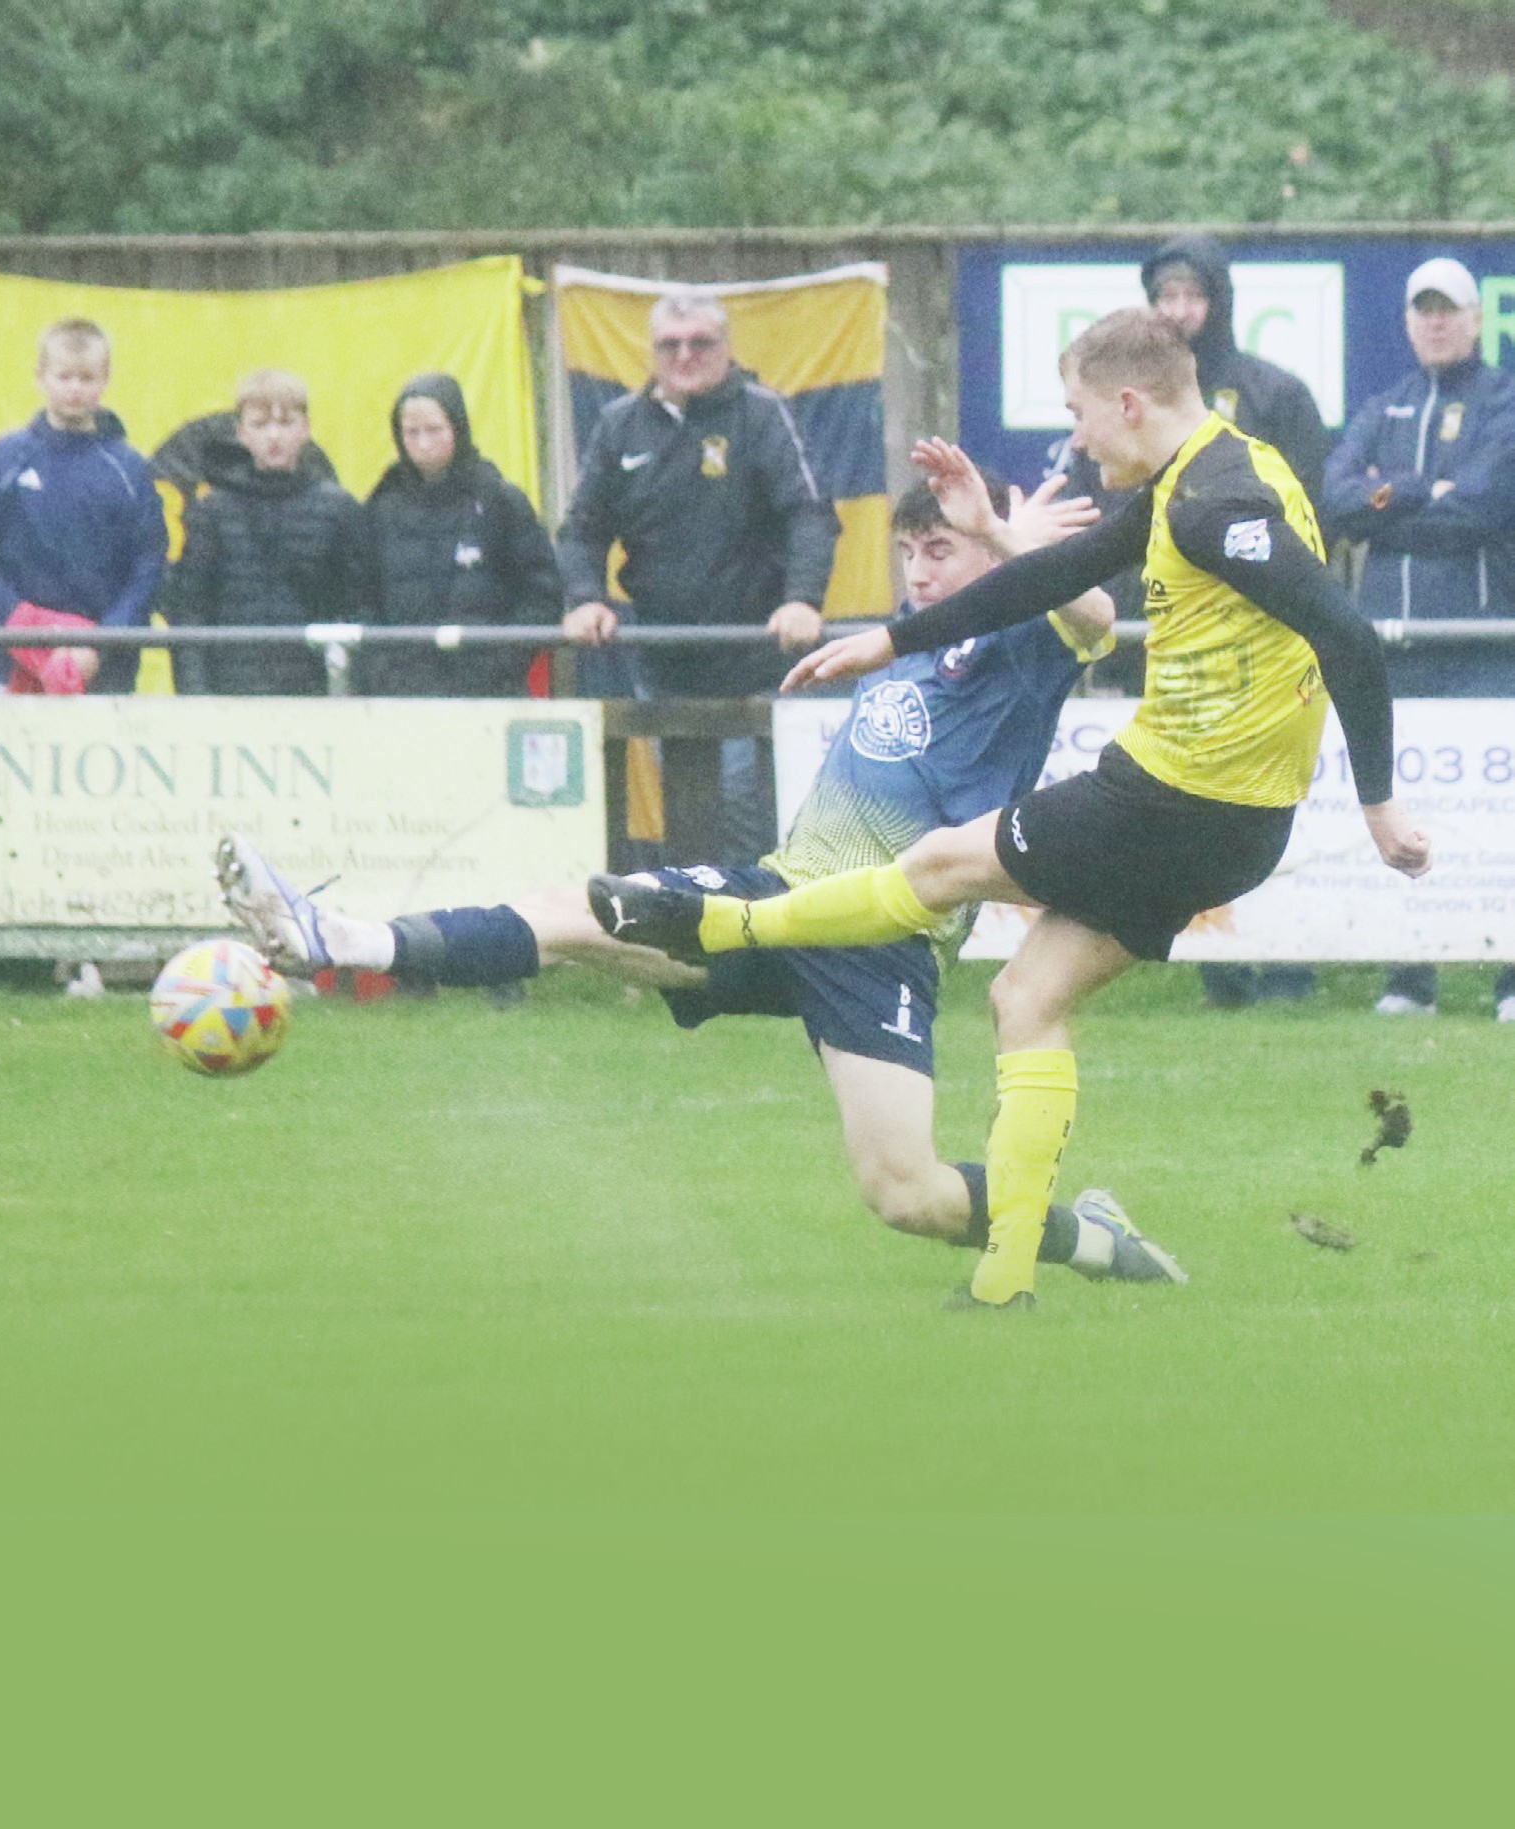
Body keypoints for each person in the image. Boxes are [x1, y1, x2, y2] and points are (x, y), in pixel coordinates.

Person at [589, 308, 1431, 1310]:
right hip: (1239, 825)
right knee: (1025, 999)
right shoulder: (1209, 471)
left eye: (1078, 412)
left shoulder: (1211, 505)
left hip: (1168, 799)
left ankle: (720, 923)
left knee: (939, 863)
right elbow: (1052, 572)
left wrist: (1379, 804)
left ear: (1129, 402)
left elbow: (1348, 634)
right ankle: (1005, 1277)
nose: (1076, 438)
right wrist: (893, 640)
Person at [216, 465, 1187, 1291]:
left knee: (906, 1194)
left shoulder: (1020, 644)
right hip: (775, 898)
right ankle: (342, 939)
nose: (919, 570)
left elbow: (1095, 615)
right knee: (580, 913)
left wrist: (1004, 537)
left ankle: (1086, 1233)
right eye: (908, 551)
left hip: (881, 942)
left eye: (941, 550)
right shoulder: (905, 643)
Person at [1059, 236, 1334, 1008]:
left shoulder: (1274, 393)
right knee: (1175, 801)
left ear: (1221, 300)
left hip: (1261, 643)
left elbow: (1307, 515)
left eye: (1194, 295)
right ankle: (1218, 970)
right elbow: (1105, 516)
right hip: (1155, 630)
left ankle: (1289, 969)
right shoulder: (1114, 406)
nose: (1181, 310)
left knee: (1257, 800)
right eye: (1167, 296)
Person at [556, 291, 840, 864]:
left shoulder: (762, 414)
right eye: (670, 345)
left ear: (727, 347)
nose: (685, 355)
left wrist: (803, 599)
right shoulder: (619, 424)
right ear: (652, 351)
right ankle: (702, 917)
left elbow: (810, 515)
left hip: (757, 657)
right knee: (691, 821)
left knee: (746, 810)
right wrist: (585, 597)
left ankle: (762, 914)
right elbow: (580, 530)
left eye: (700, 343)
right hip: (665, 659)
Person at [1321, 255, 1515, 1020]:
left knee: (1500, 817)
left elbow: (1484, 508)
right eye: (1423, 310)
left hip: (1483, 647)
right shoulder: (1385, 405)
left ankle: (1510, 977)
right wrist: (1411, 490)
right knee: (1404, 811)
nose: (1436, 323)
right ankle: (1409, 977)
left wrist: (1386, 512)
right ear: (1407, 321)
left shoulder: (1504, 399)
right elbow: (1339, 500)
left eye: (1449, 309)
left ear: (1475, 319)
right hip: (1394, 653)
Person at [0, 317, 167, 696]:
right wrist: (15, 619)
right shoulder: (8, 456)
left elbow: (149, 564)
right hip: (7, 662)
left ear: (105, 380)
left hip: (101, 670)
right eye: (64, 377)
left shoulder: (129, 469)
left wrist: (103, 642)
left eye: (87, 378)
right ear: (41, 377)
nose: (75, 389)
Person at [353, 372, 562, 699]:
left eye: (434, 430)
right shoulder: (380, 507)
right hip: (402, 696)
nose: (423, 443)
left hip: (490, 694)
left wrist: (501, 662)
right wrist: (384, 672)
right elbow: (360, 600)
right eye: (411, 432)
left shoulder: (499, 501)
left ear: (457, 427)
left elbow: (542, 595)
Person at [162, 368, 363, 698]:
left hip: (312, 690)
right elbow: (190, 612)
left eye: (285, 423)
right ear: (241, 433)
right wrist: (195, 695)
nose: (274, 436)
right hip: (230, 689)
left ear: (306, 429)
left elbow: (357, 608)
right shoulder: (212, 512)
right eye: (260, 424)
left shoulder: (339, 510)